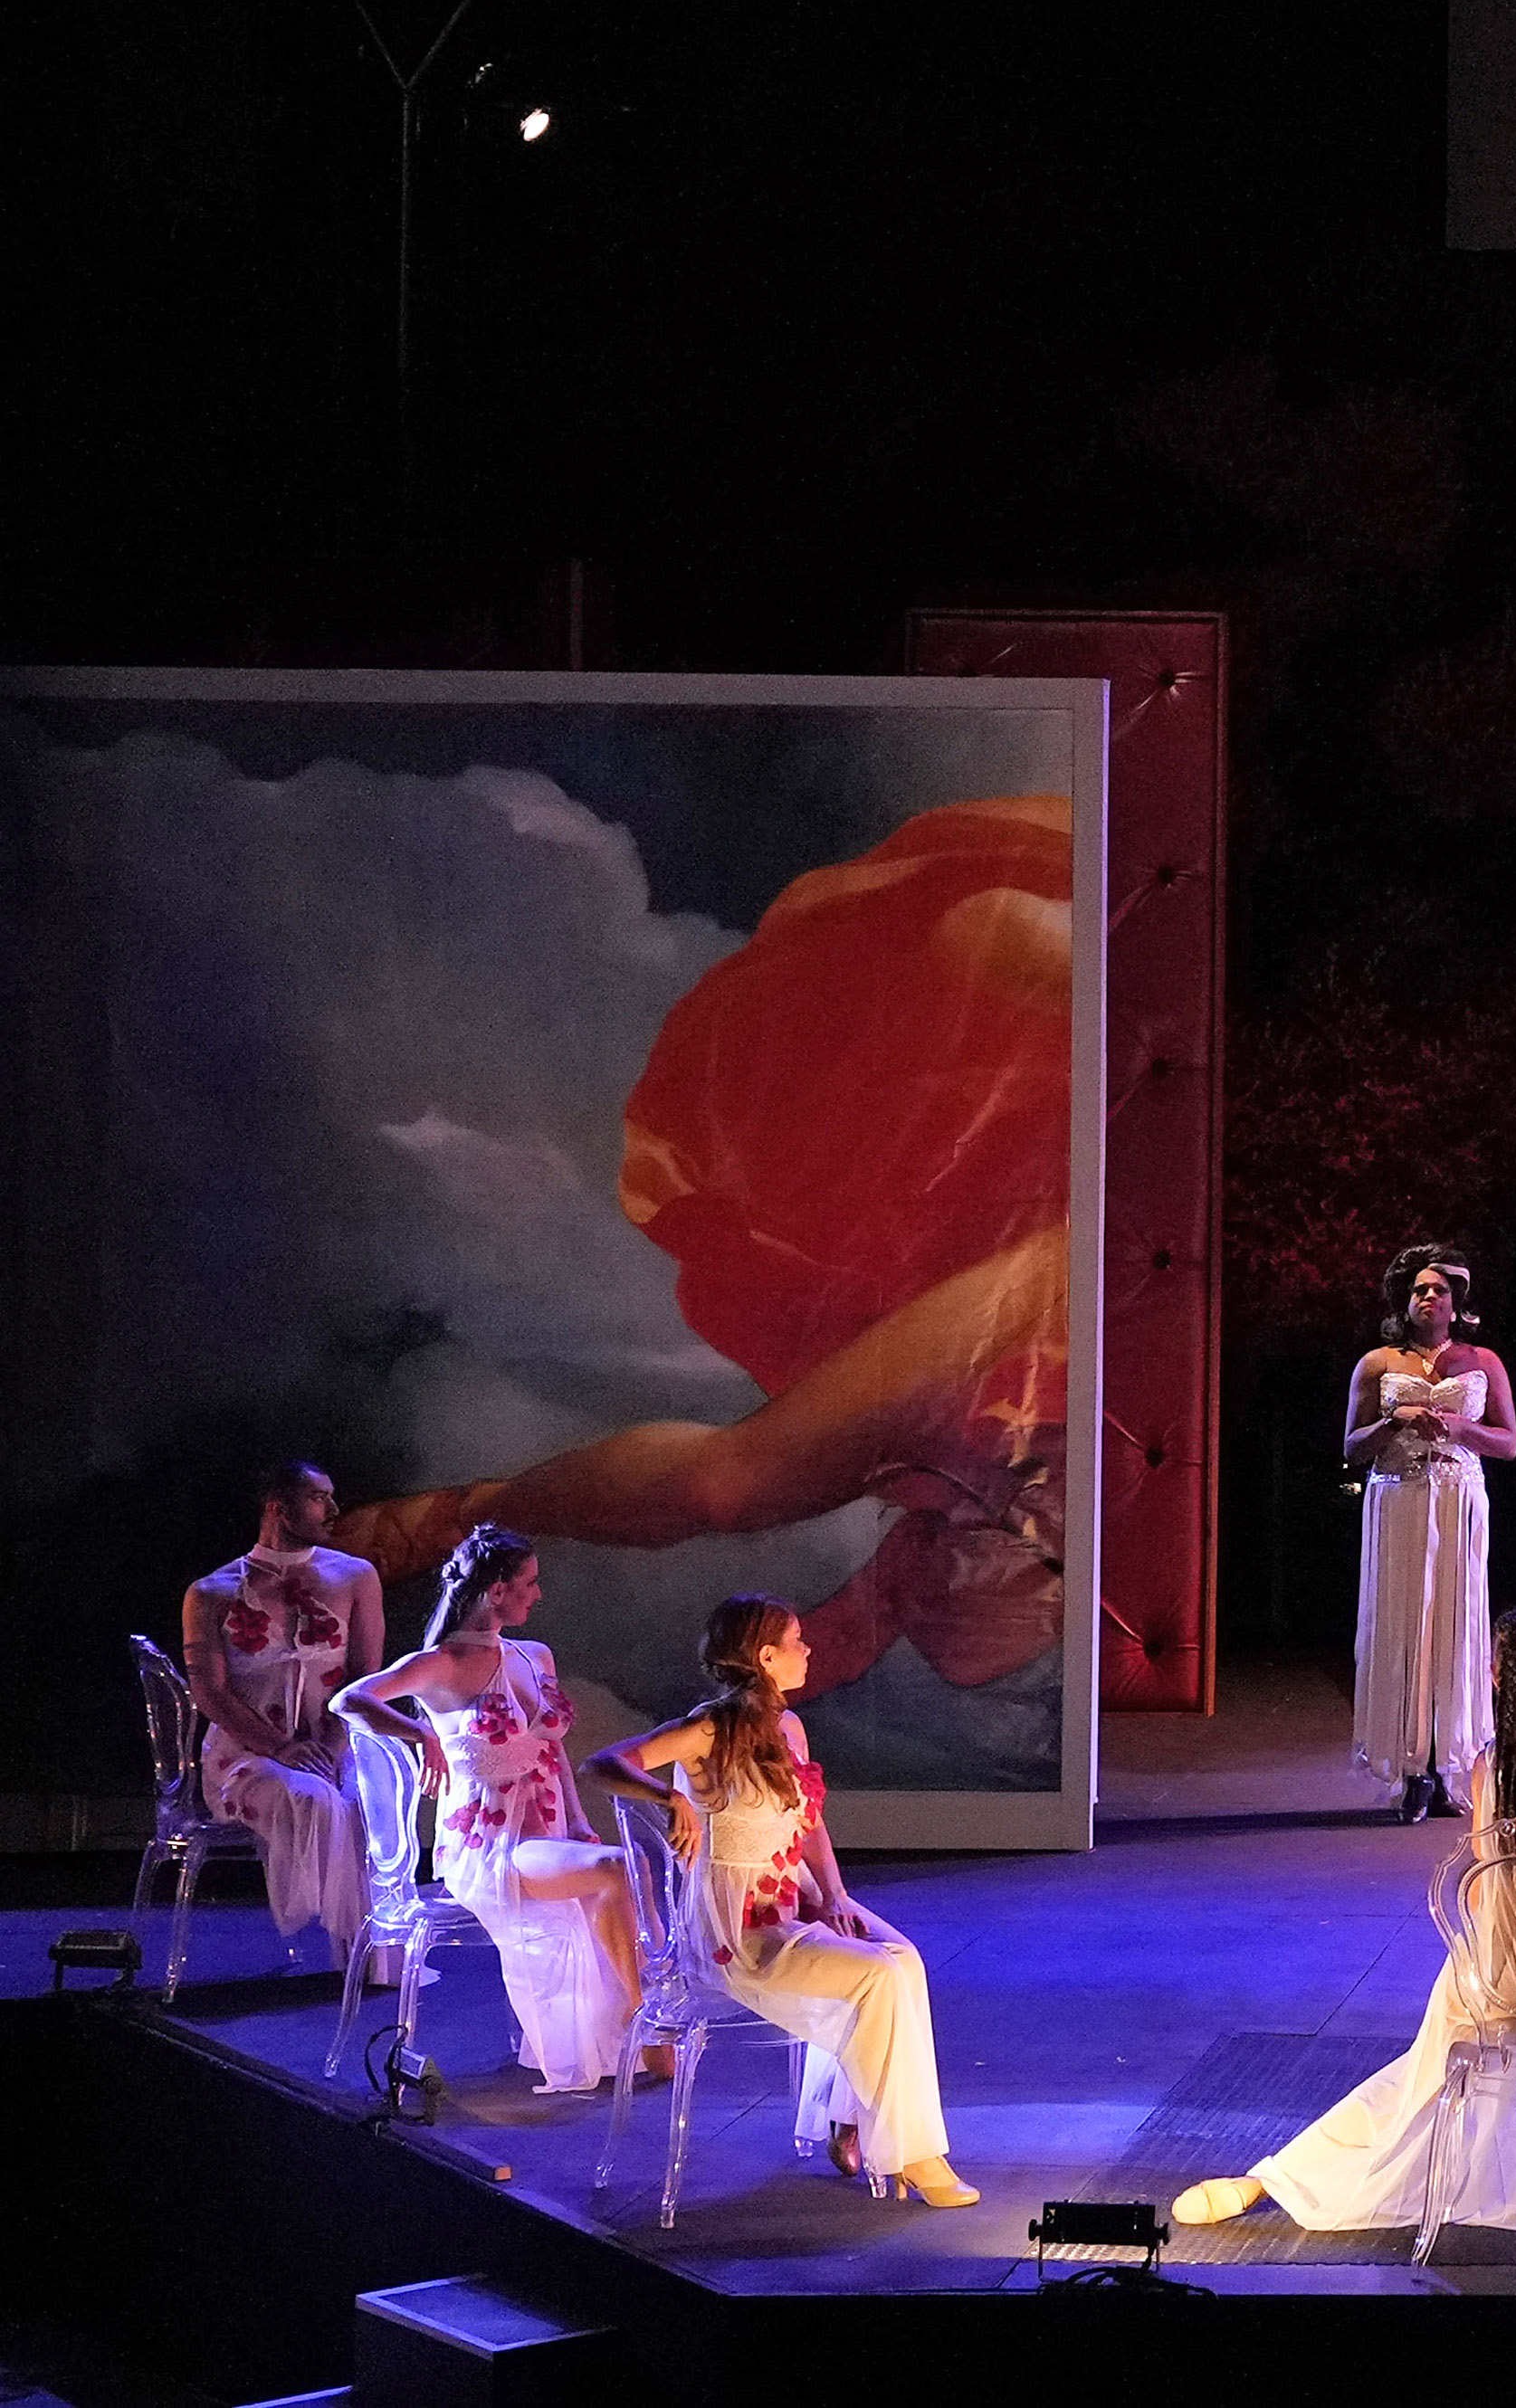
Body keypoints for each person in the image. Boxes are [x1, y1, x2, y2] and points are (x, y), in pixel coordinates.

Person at [331, 801, 1077, 1768]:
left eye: (930, 1574)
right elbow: (991, 934)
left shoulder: (928, 1547)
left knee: (735, 1483)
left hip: (1033, 1294)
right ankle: (459, 1511)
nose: (939, 1575)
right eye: (950, 1573)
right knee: (739, 1481)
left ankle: (460, 1510)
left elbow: (727, 1511)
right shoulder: (986, 1505)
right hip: (1060, 1241)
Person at [1176, 1606, 1516, 2235]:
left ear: (1495, 1677)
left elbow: (1488, 1891)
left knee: (1415, 2085)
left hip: (1479, 1980)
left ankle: (1275, 2176)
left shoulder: (1488, 1767)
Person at [591, 1598, 977, 2207]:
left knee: (903, 1959)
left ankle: (861, 2119)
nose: (809, 1650)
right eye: (797, 1641)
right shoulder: (708, 1729)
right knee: (876, 1978)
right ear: (765, 1657)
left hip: (792, 1900)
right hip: (735, 1932)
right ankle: (913, 2156)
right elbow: (606, 1762)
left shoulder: (789, 1729)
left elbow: (809, 1822)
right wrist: (667, 1800)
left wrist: (835, 1893)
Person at [334, 1526, 647, 2093]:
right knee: (619, 1870)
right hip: (489, 1849)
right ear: (496, 1591)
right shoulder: (442, 1664)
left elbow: (550, 1751)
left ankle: (633, 2019)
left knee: (623, 1867)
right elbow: (348, 1699)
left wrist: (577, 1822)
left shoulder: (535, 1656)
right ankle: (644, 2017)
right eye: (529, 1582)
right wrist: (418, 1733)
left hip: (545, 1837)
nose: (539, 1594)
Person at [178, 1461, 385, 1974]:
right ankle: (344, 1947)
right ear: (279, 1507)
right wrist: (282, 1748)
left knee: (370, 1800)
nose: (334, 1510)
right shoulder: (211, 1593)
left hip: (334, 1741)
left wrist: (334, 1751)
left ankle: (372, 1961)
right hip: (248, 1756)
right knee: (309, 1797)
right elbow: (210, 1691)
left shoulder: (355, 1577)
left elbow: (363, 1677)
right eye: (319, 1498)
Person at [1345, 1243, 1516, 1823]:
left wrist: (1462, 1427)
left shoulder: (1483, 1362)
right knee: (1404, 1623)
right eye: (1418, 1289)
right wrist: (1395, 1418)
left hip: (1458, 1500)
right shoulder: (1376, 1362)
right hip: (1398, 1497)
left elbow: (1510, 1444)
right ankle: (1410, 1767)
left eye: (1438, 1290)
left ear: (1456, 1301)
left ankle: (1449, 1767)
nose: (1427, 1297)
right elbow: (1350, 1446)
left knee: (1453, 1622)